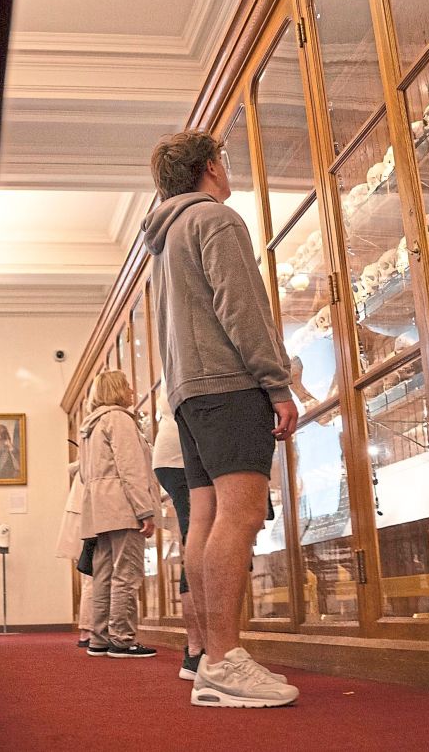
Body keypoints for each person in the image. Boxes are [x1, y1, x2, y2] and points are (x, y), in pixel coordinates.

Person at [143, 130, 299, 707]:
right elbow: (243, 307)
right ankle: (225, 659)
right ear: (211, 166)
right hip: (230, 387)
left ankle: (210, 658)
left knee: (204, 518)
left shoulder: (164, 238)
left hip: (188, 395)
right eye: (225, 161)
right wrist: (276, 383)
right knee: (242, 513)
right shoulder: (215, 219)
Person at [78, 370, 158, 659]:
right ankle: (123, 640)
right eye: (126, 385)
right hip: (123, 506)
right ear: (116, 390)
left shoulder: (89, 426)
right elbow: (131, 468)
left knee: (103, 575)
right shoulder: (120, 419)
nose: (132, 390)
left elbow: (85, 476)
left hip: (98, 510)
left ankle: (99, 639)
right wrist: (144, 509)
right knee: (126, 574)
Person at [152, 384, 205, 680]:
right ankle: (197, 649)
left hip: (174, 454)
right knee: (198, 540)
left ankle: (198, 649)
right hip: (185, 455)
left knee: (196, 537)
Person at [54, 446, 94, 647]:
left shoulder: (82, 466)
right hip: (87, 521)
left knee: (90, 578)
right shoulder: (89, 465)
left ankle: (88, 630)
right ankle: (88, 631)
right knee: (92, 578)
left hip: (82, 520)